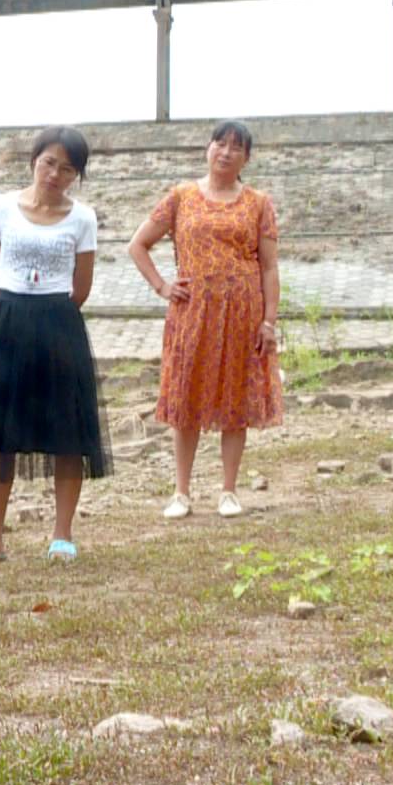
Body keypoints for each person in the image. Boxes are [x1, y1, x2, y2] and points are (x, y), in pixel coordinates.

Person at [0, 126, 111, 565]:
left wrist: (50, 314)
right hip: (8, 323)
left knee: (67, 434)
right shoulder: (3, 207)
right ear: (33, 161)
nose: (55, 174)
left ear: (76, 175)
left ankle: (62, 534)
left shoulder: (83, 218)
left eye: (67, 168)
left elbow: (81, 286)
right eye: (49, 163)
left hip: (60, 325)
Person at [125, 119, 283, 520]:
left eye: (236, 147)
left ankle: (228, 490)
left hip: (242, 314)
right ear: (207, 148)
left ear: (246, 157)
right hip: (192, 314)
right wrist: (162, 286)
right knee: (186, 396)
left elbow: (268, 268)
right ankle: (181, 492)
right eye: (220, 143)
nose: (226, 152)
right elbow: (138, 244)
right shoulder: (181, 197)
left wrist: (269, 321)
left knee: (237, 397)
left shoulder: (259, 203)